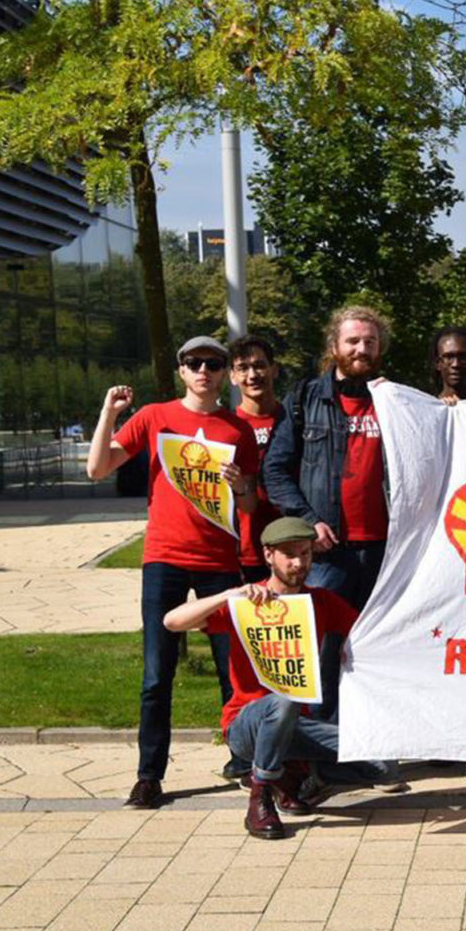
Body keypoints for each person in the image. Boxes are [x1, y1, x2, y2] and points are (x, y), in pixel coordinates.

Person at [85, 336, 258, 810]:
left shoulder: (237, 429)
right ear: (181, 370)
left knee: (233, 671)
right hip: (164, 557)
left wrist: (241, 486)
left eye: (213, 364)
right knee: (156, 674)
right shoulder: (155, 417)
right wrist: (108, 414)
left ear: (224, 374)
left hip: (220, 561)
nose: (203, 371)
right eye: (194, 363)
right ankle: (149, 776)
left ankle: (244, 762)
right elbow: (97, 469)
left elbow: (248, 505)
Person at [163, 517, 403, 839]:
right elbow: (172, 621)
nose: (299, 563)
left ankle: (303, 779)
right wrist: (229, 595)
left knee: (384, 765)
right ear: (268, 555)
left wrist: (352, 649)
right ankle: (260, 797)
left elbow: (367, 635)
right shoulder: (246, 603)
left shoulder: (320, 602)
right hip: (246, 724)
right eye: (289, 555)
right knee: (282, 702)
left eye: (305, 553)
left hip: (297, 726)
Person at [264, 305, 394, 617]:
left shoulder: (396, 402)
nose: (361, 349)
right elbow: (274, 470)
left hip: (387, 552)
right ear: (334, 346)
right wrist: (308, 521)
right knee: (322, 640)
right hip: (325, 552)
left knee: (381, 644)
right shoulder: (303, 399)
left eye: (370, 342)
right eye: (353, 341)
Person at [228, 336, 285, 584]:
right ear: (232, 376)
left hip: (293, 546)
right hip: (246, 549)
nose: (252, 375)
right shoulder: (226, 428)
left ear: (274, 369)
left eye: (259, 365)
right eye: (243, 368)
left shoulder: (297, 421)